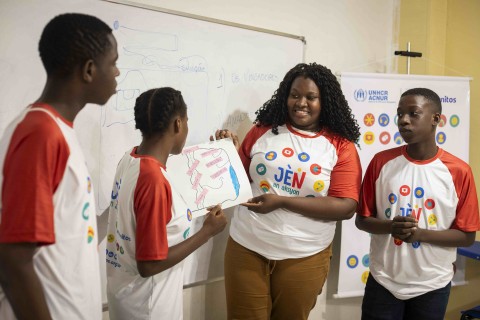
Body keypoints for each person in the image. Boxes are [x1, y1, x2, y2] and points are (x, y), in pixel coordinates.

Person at [215, 62, 362, 320]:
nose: (300, 103)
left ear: (325, 100)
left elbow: (346, 205)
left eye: (310, 97)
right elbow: (236, 178)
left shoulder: (340, 145)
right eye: (295, 95)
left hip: (304, 255)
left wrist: (282, 202)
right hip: (247, 246)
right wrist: (225, 151)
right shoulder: (263, 130)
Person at [0, 13, 120, 320]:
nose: (117, 72)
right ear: (90, 70)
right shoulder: (40, 133)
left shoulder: (59, 131)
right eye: (113, 62)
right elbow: (13, 260)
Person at [356, 88, 480, 320]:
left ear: (436, 119)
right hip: (383, 281)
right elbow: (362, 220)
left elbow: (466, 236)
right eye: (400, 114)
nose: (403, 120)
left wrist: (420, 234)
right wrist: (390, 227)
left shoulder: (459, 172)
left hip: (432, 285)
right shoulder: (381, 162)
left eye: (413, 113)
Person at [106, 87, 227, 320]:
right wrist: (207, 232)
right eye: (188, 121)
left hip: (125, 296)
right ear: (178, 124)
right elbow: (149, 265)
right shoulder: (153, 181)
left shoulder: (130, 159)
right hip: (149, 307)